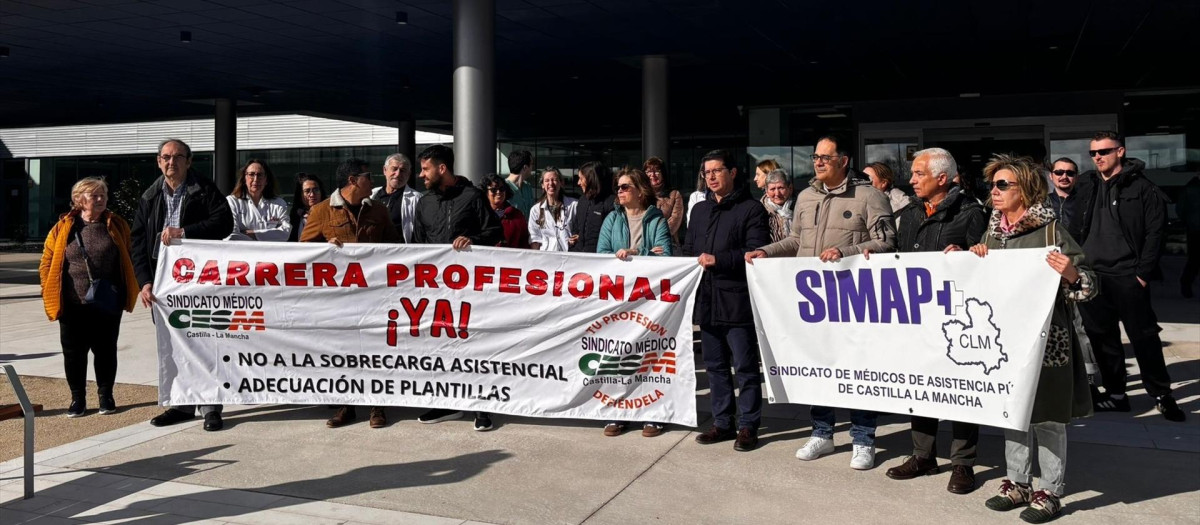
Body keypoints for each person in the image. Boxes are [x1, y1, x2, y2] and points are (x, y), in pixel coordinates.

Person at [959, 154, 1095, 524]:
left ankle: (1050, 490)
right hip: (1007, 343)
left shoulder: (1050, 231)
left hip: (1049, 341)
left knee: (1048, 417)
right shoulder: (993, 231)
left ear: (1027, 190)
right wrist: (974, 257)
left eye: (1004, 185)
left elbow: (1089, 284)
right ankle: (1017, 482)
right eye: (993, 185)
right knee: (1013, 412)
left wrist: (1071, 274)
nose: (995, 191)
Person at [745, 134, 896, 470]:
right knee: (819, 369)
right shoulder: (807, 197)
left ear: (843, 160)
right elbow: (796, 240)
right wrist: (765, 252)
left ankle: (862, 439)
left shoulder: (868, 196)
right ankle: (822, 433)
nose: (818, 161)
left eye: (825, 157)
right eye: (815, 156)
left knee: (858, 371)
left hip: (854, 304)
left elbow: (886, 242)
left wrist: (846, 252)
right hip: (813, 305)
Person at [883, 148, 988, 494]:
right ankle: (922, 455)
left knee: (959, 391)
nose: (911, 179)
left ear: (942, 178)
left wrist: (967, 258)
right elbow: (898, 255)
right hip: (917, 319)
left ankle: (963, 464)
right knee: (921, 386)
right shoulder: (910, 212)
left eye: (918, 174)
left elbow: (985, 267)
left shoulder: (971, 213)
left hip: (954, 321)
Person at [1065, 131, 1183, 421]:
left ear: (1120, 151)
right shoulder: (1088, 186)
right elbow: (1072, 224)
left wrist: (1142, 273)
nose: (1097, 157)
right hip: (1092, 276)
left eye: (1104, 151)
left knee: (1144, 338)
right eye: (1093, 153)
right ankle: (1116, 394)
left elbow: (1156, 232)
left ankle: (1161, 394)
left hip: (1128, 275)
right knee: (1102, 339)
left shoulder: (1143, 188)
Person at [131, 138, 234, 432]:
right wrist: (144, 282)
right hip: (163, 285)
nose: (171, 162)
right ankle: (183, 403)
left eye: (178, 157)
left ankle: (211, 405)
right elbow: (137, 242)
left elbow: (224, 223)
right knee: (174, 346)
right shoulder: (150, 196)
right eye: (165, 157)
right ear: (158, 161)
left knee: (204, 342)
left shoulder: (204, 189)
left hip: (198, 282)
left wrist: (185, 232)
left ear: (189, 161)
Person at [300, 158, 400, 429]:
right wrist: (325, 249)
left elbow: (397, 248)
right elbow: (302, 252)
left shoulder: (378, 210)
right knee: (343, 350)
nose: (373, 181)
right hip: (339, 298)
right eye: (368, 176)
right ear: (353, 180)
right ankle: (347, 405)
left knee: (375, 349)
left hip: (374, 293)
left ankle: (377, 405)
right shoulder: (321, 212)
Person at [410, 144, 502, 431]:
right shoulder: (424, 202)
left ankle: (480, 407)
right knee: (439, 346)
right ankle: (445, 403)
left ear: (442, 168)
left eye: (425, 169)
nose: (421, 174)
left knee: (473, 345)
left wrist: (472, 240)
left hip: (470, 290)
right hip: (434, 290)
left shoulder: (472, 196)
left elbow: (494, 231)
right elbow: (416, 244)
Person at [685, 150, 770, 451]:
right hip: (706, 300)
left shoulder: (751, 209)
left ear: (733, 172)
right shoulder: (698, 211)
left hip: (737, 300)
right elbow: (688, 251)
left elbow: (756, 252)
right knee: (714, 365)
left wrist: (718, 259)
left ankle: (748, 426)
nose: (710, 177)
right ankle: (722, 422)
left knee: (745, 367)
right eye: (706, 172)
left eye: (716, 170)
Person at [39, 177, 140, 417]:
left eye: (103, 195)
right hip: (72, 303)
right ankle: (77, 399)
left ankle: (106, 396)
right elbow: (47, 261)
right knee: (74, 353)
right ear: (79, 199)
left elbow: (131, 256)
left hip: (107, 302)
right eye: (94, 195)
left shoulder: (117, 224)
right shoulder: (64, 227)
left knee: (106, 351)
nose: (100, 199)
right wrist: (47, 287)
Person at [596, 166, 673, 438]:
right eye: (618, 187)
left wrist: (636, 253)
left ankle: (654, 413)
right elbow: (602, 254)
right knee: (619, 355)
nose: (619, 191)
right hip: (620, 299)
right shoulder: (612, 220)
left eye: (625, 187)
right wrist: (636, 255)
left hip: (649, 301)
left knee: (649, 356)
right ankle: (618, 411)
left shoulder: (656, 220)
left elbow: (665, 255)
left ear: (640, 191)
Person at [225, 159, 290, 242]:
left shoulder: (279, 203)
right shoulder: (232, 201)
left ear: (266, 180)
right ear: (244, 179)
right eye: (251, 174)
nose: (256, 179)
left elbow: (285, 233)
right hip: (242, 253)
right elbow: (231, 235)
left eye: (260, 175)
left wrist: (254, 233)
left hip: (270, 254)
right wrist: (268, 236)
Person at [371, 153, 420, 243]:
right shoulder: (372, 195)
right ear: (385, 170)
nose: (397, 174)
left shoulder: (417, 199)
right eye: (394, 169)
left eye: (403, 170)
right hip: (374, 253)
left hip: (401, 254)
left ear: (408, 174)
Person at [568, 161, 615, 254]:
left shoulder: (610, 202)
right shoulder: (582, 200)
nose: (578, 183)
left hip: (599, 259)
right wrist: (573, 240)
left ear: (591, 179)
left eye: (581, 179)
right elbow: (577, 228)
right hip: (579, 256)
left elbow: (612, 236)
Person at [528, 167, 577, 251]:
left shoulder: (574, 205)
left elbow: (581, 231)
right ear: (542, 185)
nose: (550, 183)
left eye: (554, 180)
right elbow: (534, 238)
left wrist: (577, 238)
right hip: (546, 258)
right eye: (547, 180)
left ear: (561, 183)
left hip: (568, 256)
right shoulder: (536, 210)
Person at [482, 173, 531, 248]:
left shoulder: (517, 215)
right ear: (486, 192)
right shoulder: (479, 215)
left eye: (501, 189)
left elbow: (524, 243)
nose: (498, 192)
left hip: (511, 259)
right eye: (493, 190)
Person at [645, 156, 684, 247]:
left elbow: (674, 222)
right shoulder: (640, 195)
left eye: (657, 171)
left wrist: (657, 236)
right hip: (643, 245)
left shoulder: (674, 195)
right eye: (649, 172)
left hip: (667, 243)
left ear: (663, 173)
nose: (653, 175)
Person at [287, 173, 325, 242]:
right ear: (300, 194)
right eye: (307, 191)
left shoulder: (330, 214)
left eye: (316, 190)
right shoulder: (294, 217)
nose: (312, 194)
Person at [1179, 175, 1200, 298]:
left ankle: (1186, 284)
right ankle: (1186, 283)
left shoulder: (1190, 188)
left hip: (1194, 227)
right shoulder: (1191, 188)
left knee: (1194, 260)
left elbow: (1181, 209)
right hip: (1195, 227)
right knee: (1194, 260)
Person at [1044, 158, 1080, 230]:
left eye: (1070, 173)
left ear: (1076, 177)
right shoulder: (1043, 202)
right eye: (1059, 172)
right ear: (1051, 176)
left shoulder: (1085, 202)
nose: (1064, 177)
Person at [760, 169, 794, 242]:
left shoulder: (800, 207)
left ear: (790, 188)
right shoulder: (760, 212)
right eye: (772, 189)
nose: (777, 193)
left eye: (781, 188)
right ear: (766, 192)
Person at [505, 149, 536, 218]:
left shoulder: (528, 187)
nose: (532, 168)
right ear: (525, 167)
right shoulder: (503, 188)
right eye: (531, 164)